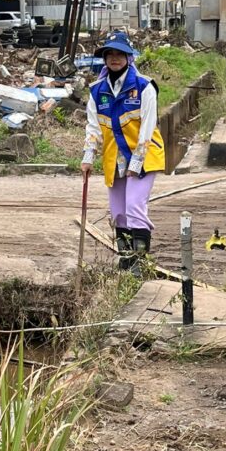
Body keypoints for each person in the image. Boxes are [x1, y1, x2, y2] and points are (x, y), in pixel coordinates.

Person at [81, 31, 165, 272]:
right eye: (110, 54)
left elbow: (148, 127)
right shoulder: (97, 91)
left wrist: (136, 162)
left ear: (129, 57)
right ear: (105, 59)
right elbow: (93, 127)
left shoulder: (144, 87)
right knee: (118, 212)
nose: (115, 58)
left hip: (144, 155)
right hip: (113, 158)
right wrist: (88, 157)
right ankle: (126, 259)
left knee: (135, 206)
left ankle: (140, 261)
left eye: (120, 54)